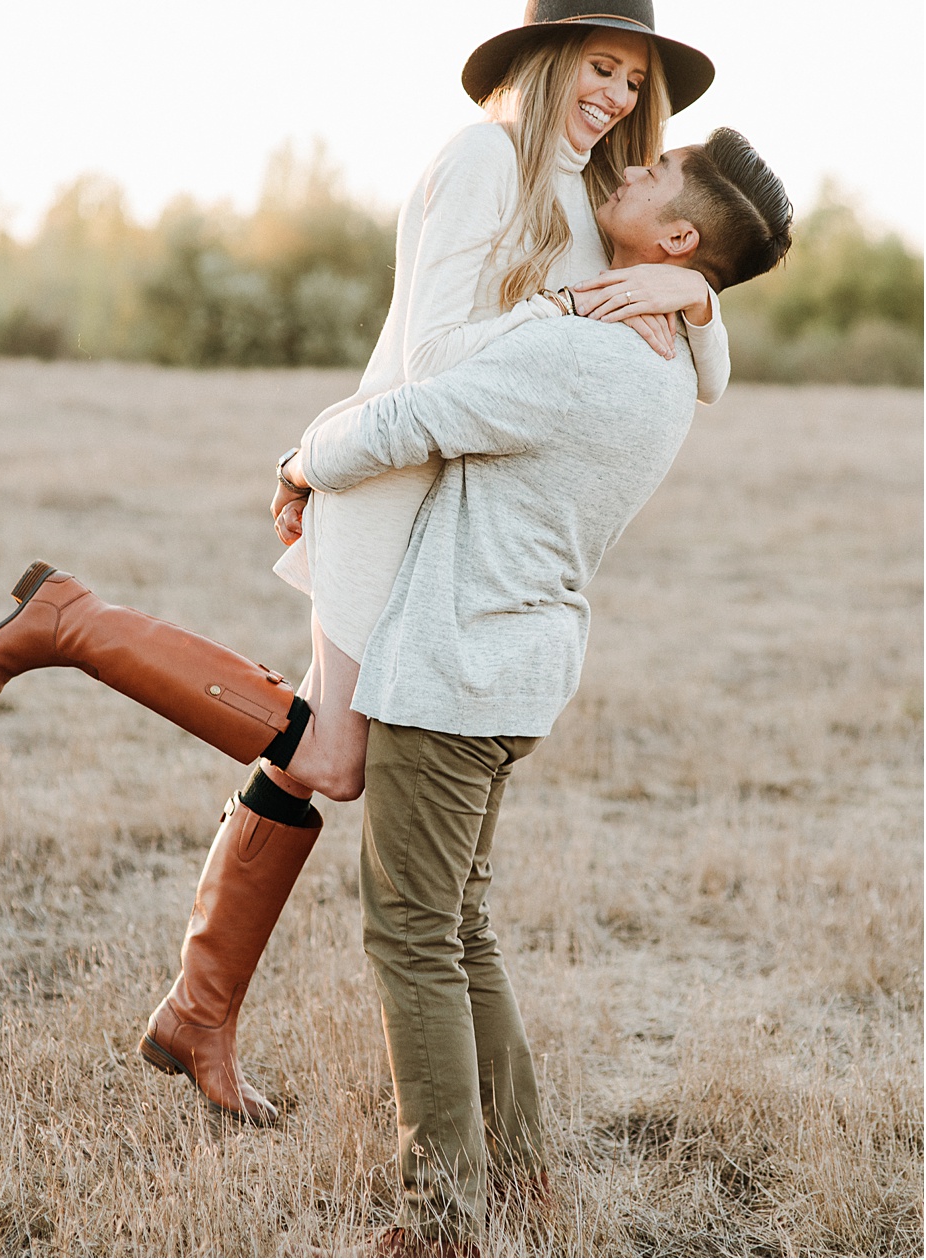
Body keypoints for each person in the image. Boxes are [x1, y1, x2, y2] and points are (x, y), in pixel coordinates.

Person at [0, 0, 729, 1129]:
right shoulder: (482, 164)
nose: (618, 93)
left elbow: (706, 377)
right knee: (330, 760)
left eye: (636, 76)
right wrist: (565, 316)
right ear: (545, 61)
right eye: (600, 66)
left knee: (322, 755)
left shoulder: (590, 194)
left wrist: (701, 297)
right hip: (390, 486)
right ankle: (76, 625)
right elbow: (435, 364)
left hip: (442, 506)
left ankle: (198, 1011)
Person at [273, 128, 793, 1254]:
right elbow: (701, 348)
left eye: (656, 172)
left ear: (680, 238)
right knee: (460, 928)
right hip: (519, 672)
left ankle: (442, 1214)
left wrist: (305, 459)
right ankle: (522, 1181)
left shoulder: (585, 352)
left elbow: (416, 416)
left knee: (412, 934)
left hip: (454, 670)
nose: (633, 160)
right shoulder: (661, 358)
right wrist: (701, 305)